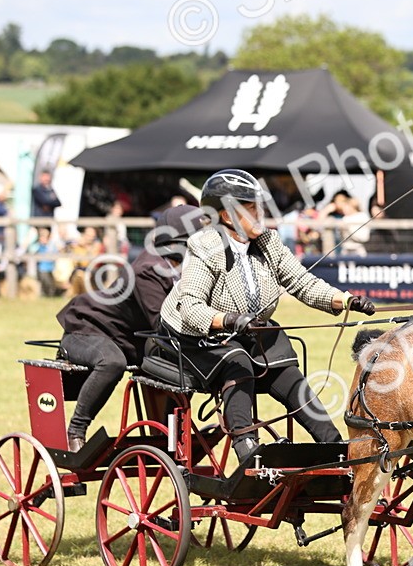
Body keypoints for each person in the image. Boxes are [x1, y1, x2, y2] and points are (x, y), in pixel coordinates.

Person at [157, 169, 377, 464]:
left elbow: (303, 283)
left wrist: (346, 300)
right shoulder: (204, 246)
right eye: (251, 209)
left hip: (245, 329)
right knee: (237, 362)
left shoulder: (268, 244)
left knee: (286, 370)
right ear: (226, 217)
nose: (261, 214)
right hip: (195, 337)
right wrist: (231, 319)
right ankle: (247, 447)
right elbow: (192, 309)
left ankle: (336, 446)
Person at [55, 204, 205, 451]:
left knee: (178, 365)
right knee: (112, 362)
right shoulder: (148, 269)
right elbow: (163, 324)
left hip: (129, 338)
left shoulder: (185, 267)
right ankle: (76, 431)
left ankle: (171, 435)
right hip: (88, 329)